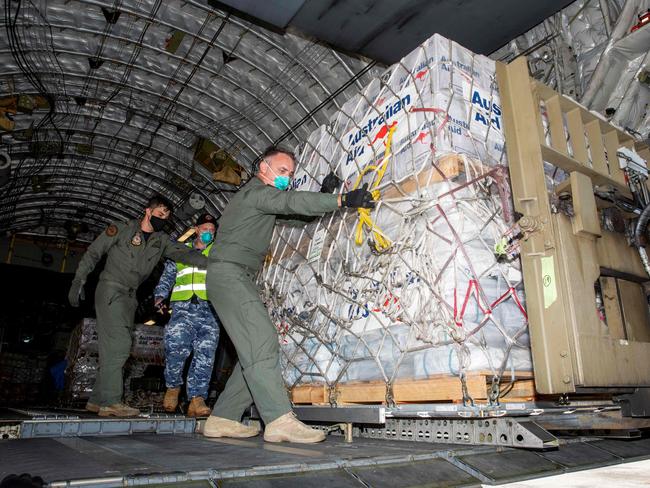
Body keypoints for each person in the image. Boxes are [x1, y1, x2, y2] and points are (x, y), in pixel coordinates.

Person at [203, 146, 374, 444]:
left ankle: (223, 417)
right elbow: (290, 200)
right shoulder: (255, 192)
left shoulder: (263, 200)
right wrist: (341, 199)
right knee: (263, 341)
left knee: (253, 351)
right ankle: (279, 420)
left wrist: (322, 194)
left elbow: (296, 217)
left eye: (290, 174)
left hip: (236, 276)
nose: (287, 178)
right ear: (263, 167)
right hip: (228, 274)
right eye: (282, 171)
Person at [68, 195, 208, 417]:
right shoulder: (122, 230)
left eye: (167, 216)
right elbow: (94, 253)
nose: (163, 219)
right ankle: (111, 402)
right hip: (111, 290)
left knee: (111, 349)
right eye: (160, 214)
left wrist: (216, 262)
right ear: (148, 211)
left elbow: (187, 254)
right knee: (121, 344)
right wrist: (79, 280)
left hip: (130, 298)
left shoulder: (160, 241)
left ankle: (96, 400)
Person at [153, 213, 220, 417]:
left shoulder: (217, 252)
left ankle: (197, 399)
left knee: (205, 356)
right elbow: (168, 276)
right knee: (176, 350)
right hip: (183, 309)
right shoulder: (180, 251)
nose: (208, 232)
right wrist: (159, 297)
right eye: (205, 229)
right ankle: (173, 388)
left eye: (212, 230)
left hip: (210, 310)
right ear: (196, 229)